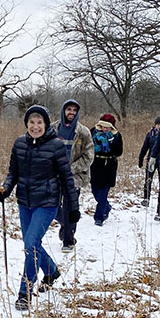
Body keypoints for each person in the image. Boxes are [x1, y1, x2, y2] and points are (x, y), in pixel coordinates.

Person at [0, 105, 80, 311]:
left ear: (46, 124)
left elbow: (67, 178)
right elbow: (13, 172)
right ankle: (51, 271)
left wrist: (73, 207)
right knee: (30, 244)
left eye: (39, 122)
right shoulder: (19, 144)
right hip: (25, 202)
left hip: (47, 202)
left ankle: (25, 292)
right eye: (31, 122)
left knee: (31, 244)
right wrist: (6, 188)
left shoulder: (56, 146)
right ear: (27, 124)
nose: (35, 126)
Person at [54, 99, 93, 249]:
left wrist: (70, 169)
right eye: (68, 109)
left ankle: (68, 240)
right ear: (63, 110)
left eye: (74, 110)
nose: (71, 112)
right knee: (53, 206)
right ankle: (66, 223)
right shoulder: (53, 129)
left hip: (74, 177)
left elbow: (89, 156)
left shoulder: (83, 132)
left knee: (70, 207)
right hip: (55, 176)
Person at [89, 113, 123, 226]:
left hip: (109, 166)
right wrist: (98, 148)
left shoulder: (116, 136)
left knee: (103, 192)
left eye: (107, 127)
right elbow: (88, 147)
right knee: (95, 190)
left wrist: (110, 144)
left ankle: (99, 217)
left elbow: (119, 152)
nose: (105, 129)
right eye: (103, 127)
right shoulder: (93, 132)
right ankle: (106, 207)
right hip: (96, 164)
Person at [137, 116, 160, 206]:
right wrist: (141, 158)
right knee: (148, 179)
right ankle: (146, 198)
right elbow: (145, 147)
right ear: (155, 125)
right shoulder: (150, 134)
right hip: (151, 160)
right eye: (158, 124)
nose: (159, 126)